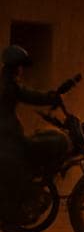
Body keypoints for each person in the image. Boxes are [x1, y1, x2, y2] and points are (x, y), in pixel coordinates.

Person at [0, 45, 63, 222]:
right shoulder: (9, 85)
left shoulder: (7, 82)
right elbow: (29, 95)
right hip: (6, 137)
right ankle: (11, 214)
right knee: (23, 169)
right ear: (15, 67)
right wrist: (51, 97)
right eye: (20, 66)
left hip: (8, 134)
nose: (21, 70)